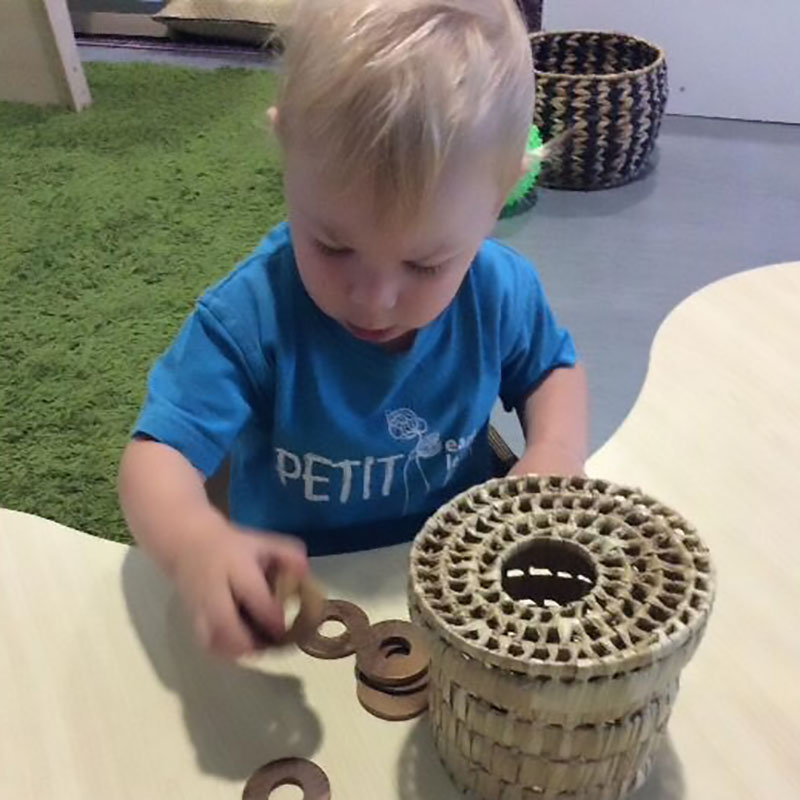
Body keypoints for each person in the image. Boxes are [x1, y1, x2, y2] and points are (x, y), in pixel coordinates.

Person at [118, 0, 589, 660]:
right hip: (298, 611)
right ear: (288, 150)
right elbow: (153, 460)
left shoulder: (499, 292)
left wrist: (557, 452)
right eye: (333, 246)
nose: (373, 299)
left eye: (425, 263)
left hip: (456, 593)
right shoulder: (250, 317)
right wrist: (196, 542)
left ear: (504, 191)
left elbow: (552, 372)